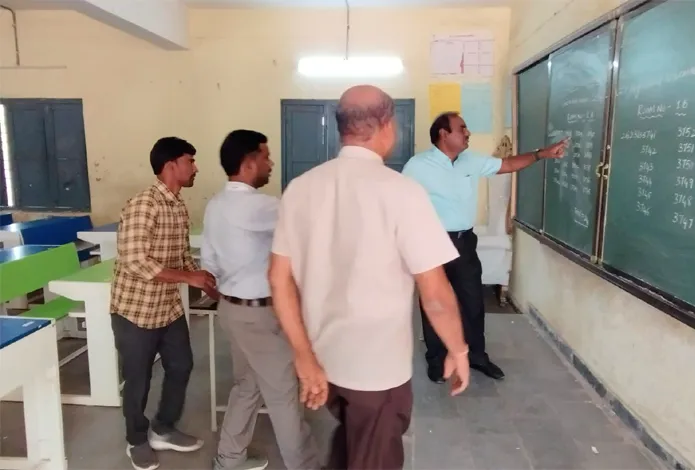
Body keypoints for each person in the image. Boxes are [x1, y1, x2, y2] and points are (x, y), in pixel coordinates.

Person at [268, 85, 471, 470]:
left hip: (325, 363)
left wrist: (304, 357)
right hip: (377, 372)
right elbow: (435, 294)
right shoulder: (402, 193)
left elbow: (279, 281)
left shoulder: (300, 189)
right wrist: (458, 350)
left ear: (342, 127)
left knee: (350, 446)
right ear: (386, 125)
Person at [402, 112, 568, 383]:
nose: (467, 133)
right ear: (444, 134)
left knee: (473, 301)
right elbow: (401, 202)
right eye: (462, 128)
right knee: (435, 300)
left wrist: (542, 154)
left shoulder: (471, 160)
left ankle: (477, 356)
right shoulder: (417, 166)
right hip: (432, 243)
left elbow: (508, 164)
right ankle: (436, 359)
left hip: (464, 242)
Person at [202, 130, 320, 470]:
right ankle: (305, 465)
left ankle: (229, 458)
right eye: (266, 157)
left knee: (248, 385)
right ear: (249, 162)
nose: (271, 164)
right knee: (283, 395)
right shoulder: (258, 206)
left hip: (232, 309)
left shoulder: (215, 205)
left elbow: (209, 263)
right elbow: (308, 222)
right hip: (259, 316)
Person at [110, 137, 219, 470]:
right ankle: (136, 439)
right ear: (171, 165)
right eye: (190, 160)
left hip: (167, 308)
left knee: (181, 365)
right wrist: (188, 278)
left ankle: (163, 428)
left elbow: (181, 255)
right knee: (138, 379)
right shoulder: (144, 204)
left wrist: (205, 280)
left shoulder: (178, 205)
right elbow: (135, 261)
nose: (196, 167)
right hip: (135, 310)